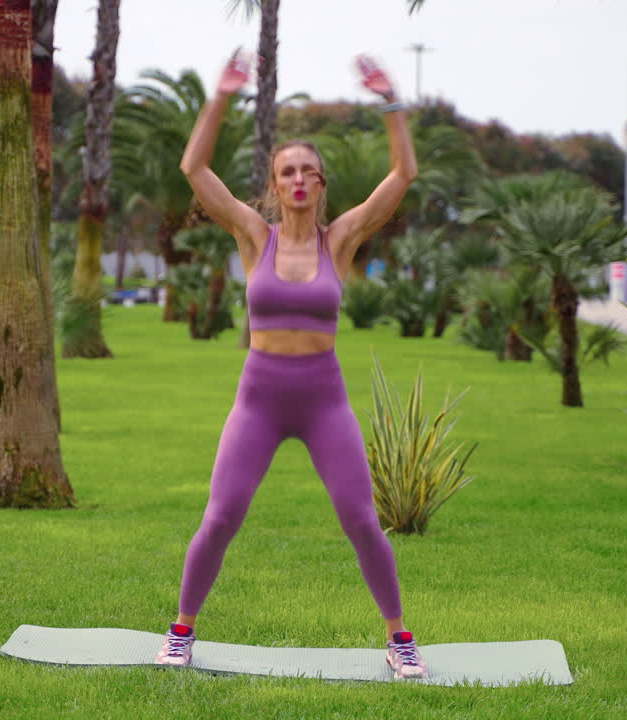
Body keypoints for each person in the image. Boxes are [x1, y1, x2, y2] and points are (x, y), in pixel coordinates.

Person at [155, 51, 426, 679]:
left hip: (324, 401)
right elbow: (193, 168)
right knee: (221, 516)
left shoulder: (342, 240)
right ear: (275, 186)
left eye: (309, 171)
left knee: (361, 520)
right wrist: (221, 97)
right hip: (260, 400)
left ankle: (399, 638)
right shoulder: (255, 236)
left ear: (321, 184)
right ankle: (181, 630)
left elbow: (403, 173)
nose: (299, 180)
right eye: (287, 172)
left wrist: (391, 100)